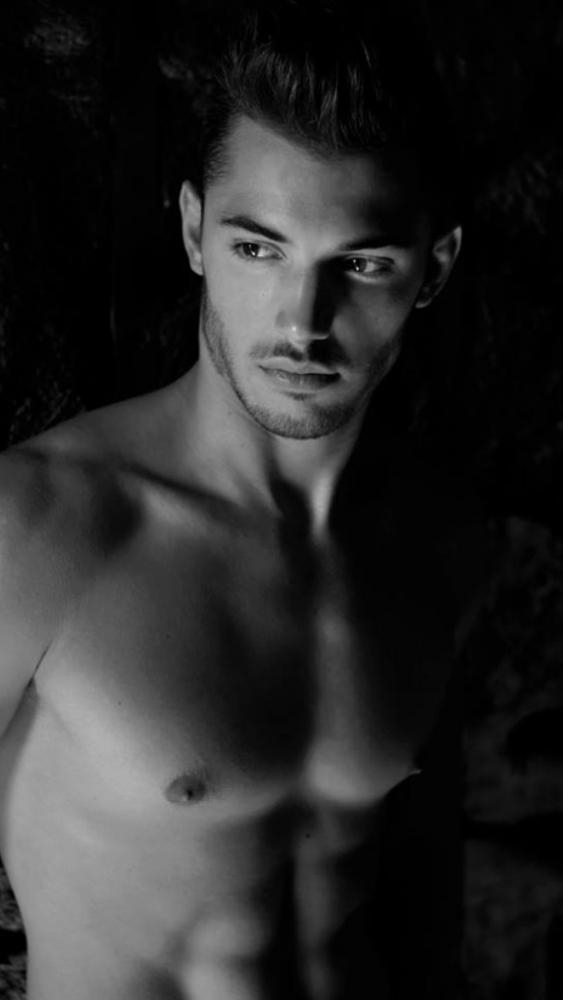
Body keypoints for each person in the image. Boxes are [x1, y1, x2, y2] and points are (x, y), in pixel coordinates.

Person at [0, 2, 487, 997]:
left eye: (361, 264)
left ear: (432, 269)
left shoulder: (438, 542)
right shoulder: (39, 525)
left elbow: (421, 903)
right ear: (193, 232)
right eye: (258, 248)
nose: (302, 321)